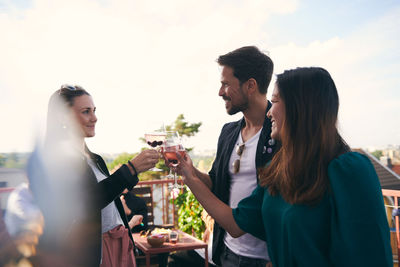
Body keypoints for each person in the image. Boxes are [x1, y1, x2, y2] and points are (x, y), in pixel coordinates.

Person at [176, 67, 392, 266]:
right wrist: (189, 176)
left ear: (301, 108)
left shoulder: (350, 171)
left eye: (276, 101)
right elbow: (234, 223)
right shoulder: (277, 168)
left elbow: (370, 255)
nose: (269, 112)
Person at [27, 84, 159, 267]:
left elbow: (109, 195)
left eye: (94, 110)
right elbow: (84, 202)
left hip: (121, 245)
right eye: (86, 111)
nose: (94, 118)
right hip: (96, 253)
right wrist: (131, 169)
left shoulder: (95, 159)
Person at [169, 46, 276, 267]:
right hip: (226, 252)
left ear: (250, 85)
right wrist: (189, 169)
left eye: (226, 84)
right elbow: (216, 184)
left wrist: (190, 178)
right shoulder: (228, 132)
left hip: (267, 259)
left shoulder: (282, 132)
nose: (220, 92)